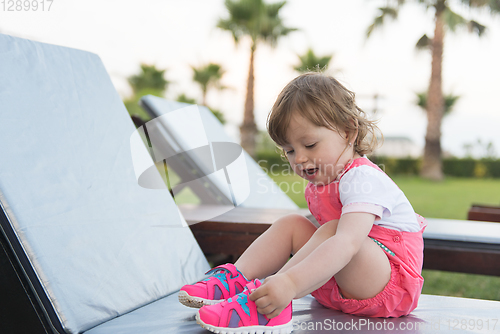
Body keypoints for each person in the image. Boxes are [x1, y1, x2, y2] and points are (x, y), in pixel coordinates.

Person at [178, 72, 427, 334]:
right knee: (292, 224)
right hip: (338, 282)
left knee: (336, 231)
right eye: (290, 150)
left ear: (348, 132)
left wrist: (289, 283)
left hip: (387, 287)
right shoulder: (321, 183)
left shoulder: (362, 177)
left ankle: (272, 299)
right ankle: (235, 280)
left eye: (309, 144)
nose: (299, 158)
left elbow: (347, 242)